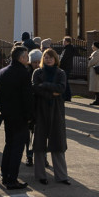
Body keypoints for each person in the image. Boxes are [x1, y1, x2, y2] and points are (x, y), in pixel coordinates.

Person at [0, 46, 33, 189]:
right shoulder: (23, 73)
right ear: (21, 58)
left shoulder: (2, 71)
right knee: (17, 148)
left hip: (7, 115)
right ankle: (12, 179)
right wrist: (29, 116)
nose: (28, 58)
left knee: (9, 145)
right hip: (20, 116)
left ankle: (5, 175)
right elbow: (27, 97)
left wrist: (4, 108)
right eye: (26, 56)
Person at [31, 48, 71, 185]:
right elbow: (35, 88)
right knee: (40, 144)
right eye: (46, 57)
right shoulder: (37, 72)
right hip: (41, 110)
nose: (48, 59)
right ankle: (41, 175)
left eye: (50, 57)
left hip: (56, 111)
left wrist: (46, 85)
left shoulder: (61, 73)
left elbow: (61, 88)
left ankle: (61, 176)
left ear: (55, 59)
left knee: (58, 143)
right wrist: (50, 93)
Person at [87, 40, 99, 106]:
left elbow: (92, 62)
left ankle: (98, 100)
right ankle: (97, 100)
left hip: (96, 72)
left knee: (97, 86)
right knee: (97, 86)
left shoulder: (97, 53)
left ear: (95, 46)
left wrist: (89, 61)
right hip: (96, 72)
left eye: (92, 45)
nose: (92, 46)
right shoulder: (98, 52)